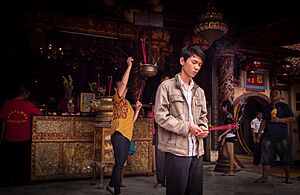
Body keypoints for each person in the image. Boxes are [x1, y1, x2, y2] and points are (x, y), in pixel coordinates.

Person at [154, 44, 209, 195]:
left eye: (199, 64)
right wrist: (187, 127)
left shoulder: (199, 92)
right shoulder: (166, 87)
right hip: (176, 151)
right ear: (182, 61)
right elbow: (160, 116)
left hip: (197, 151)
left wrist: (203, 128)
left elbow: (203, 116)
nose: (197, 67)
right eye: (193, 62)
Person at [106, 56, 142, 195]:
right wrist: (129, 66)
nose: (124, 86)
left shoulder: (126, 103)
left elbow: (131, 121)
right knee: (120, 164)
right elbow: (124, 82)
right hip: (119, 133)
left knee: (120, 163)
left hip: (127, 134)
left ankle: (110, 185)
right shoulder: (117, 99)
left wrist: (137, 110)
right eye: (121, 85)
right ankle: (117, 191)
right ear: (117, 89)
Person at [0, 85, 43, 187]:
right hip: (24, 139)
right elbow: (40, 113)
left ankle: (9, 181)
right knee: (22, 162)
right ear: (25, 93)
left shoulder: (7, 103)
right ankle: (20, 182)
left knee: (10, 161)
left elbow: (3, 122)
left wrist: (1, 137)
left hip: (9, 138)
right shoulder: (28, 105)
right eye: (28, 94)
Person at [254, 88, 295, 184]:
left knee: (285, 157)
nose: (273, 94)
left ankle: (288, 178)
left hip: (282, 136)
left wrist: (279, 120)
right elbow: (264, 121)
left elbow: (292, 118)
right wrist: (259, 133)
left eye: (276, 93)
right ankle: (264, 177)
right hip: (268, 135)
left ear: (281, 96)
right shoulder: (267, 107)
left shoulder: (285, 106)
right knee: (266, 157)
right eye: (272, 93)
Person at [150, 72, 170, 188]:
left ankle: (170, 180)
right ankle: (160, 180)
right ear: (161, 80)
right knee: (160, 155)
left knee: (172, 155)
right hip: (160, 127)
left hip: (172, 128)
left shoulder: (173, 92)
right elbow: (154, 109)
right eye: (165, 80)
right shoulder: (157, 92)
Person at [217, 100, 242, 176]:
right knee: (225, 153)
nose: (222, 108)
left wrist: (221, 136)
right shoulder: (228, 115)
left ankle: (231, 171)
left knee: (230, 154)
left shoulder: (229, 116)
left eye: (223, 107)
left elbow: (229, 128)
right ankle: (236, 166)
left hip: (230, 136)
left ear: (226, 107)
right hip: (227, 136)